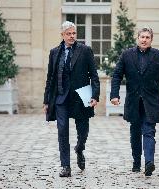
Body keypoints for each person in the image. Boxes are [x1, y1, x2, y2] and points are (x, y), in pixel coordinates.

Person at [110, 27, 159, 176]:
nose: (144, 40)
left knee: (149, 131)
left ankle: (149, 162)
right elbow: (117, 75)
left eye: (147, 37)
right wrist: (115, 95)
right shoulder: (127, 55)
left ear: (151, 40)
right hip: (133, 101)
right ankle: (137, 162)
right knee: (135, 132)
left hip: (151, 101)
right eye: (142, 37)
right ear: (137, 38)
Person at [43, 21, 100, 177]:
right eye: (68, 33)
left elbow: (94, 75)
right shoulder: (54, 52)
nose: (72, 36)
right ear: (62, 35)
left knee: (83, 131)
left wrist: (95, 95)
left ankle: (80, 148)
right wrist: (46, 100)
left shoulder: (85, 51)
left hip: (82, 96)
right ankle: (65, 166)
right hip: (61, 98)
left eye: (74, 33)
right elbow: (50, 78)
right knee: (62, 131)